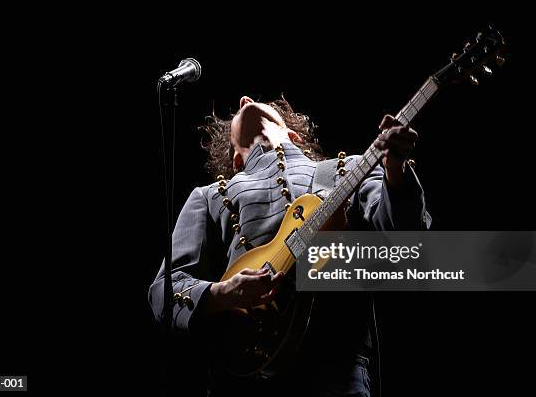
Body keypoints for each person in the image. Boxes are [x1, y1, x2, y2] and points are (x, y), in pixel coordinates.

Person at [149, 96, 431, 396]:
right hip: (245, 376)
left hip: (337, 367)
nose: (245, 99)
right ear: (235, 160)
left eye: (257, 100)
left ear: (294, 135)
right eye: (240, 104)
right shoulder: (208, 196)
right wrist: (223, 293)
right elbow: (163, 292)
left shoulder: (348, 169)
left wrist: (396, 169)